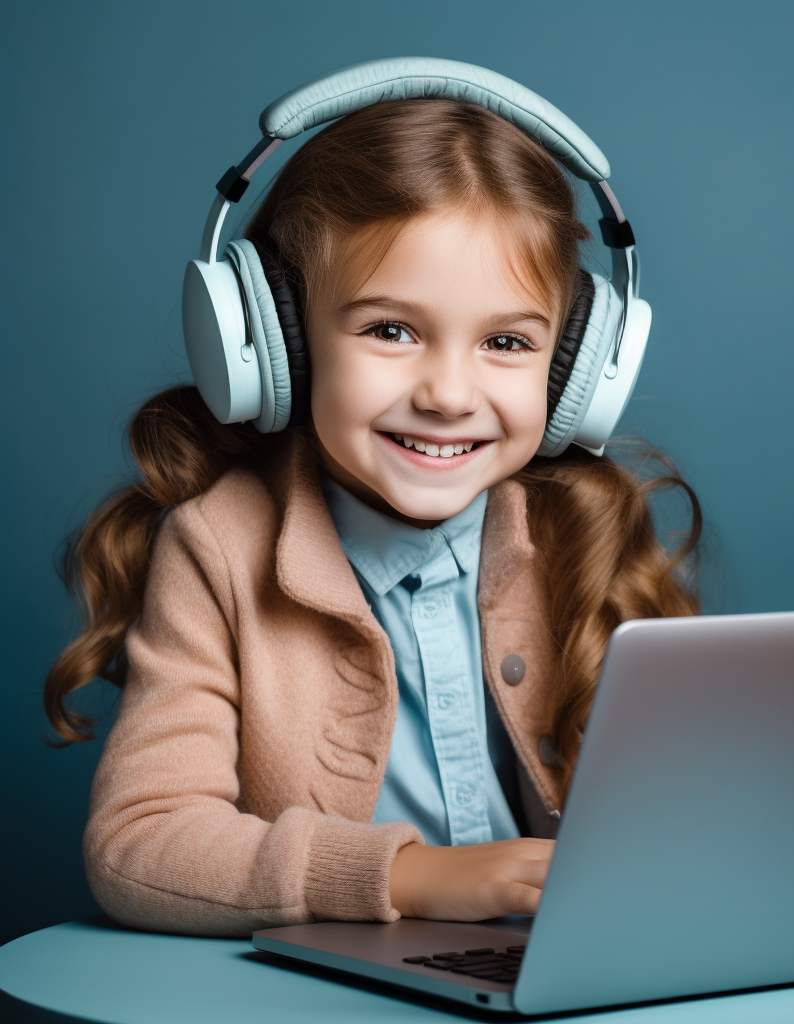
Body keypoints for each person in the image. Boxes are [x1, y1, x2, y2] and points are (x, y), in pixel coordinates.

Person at [43, 72, 701, 937]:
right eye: (391, 330)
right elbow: (140, 844)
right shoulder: (218, 550)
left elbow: (684, 817)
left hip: (560, 974)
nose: (449, 394)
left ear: (576, 371)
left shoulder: (580, 533)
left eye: (507, 342)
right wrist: (413, 876)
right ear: (277, 343)